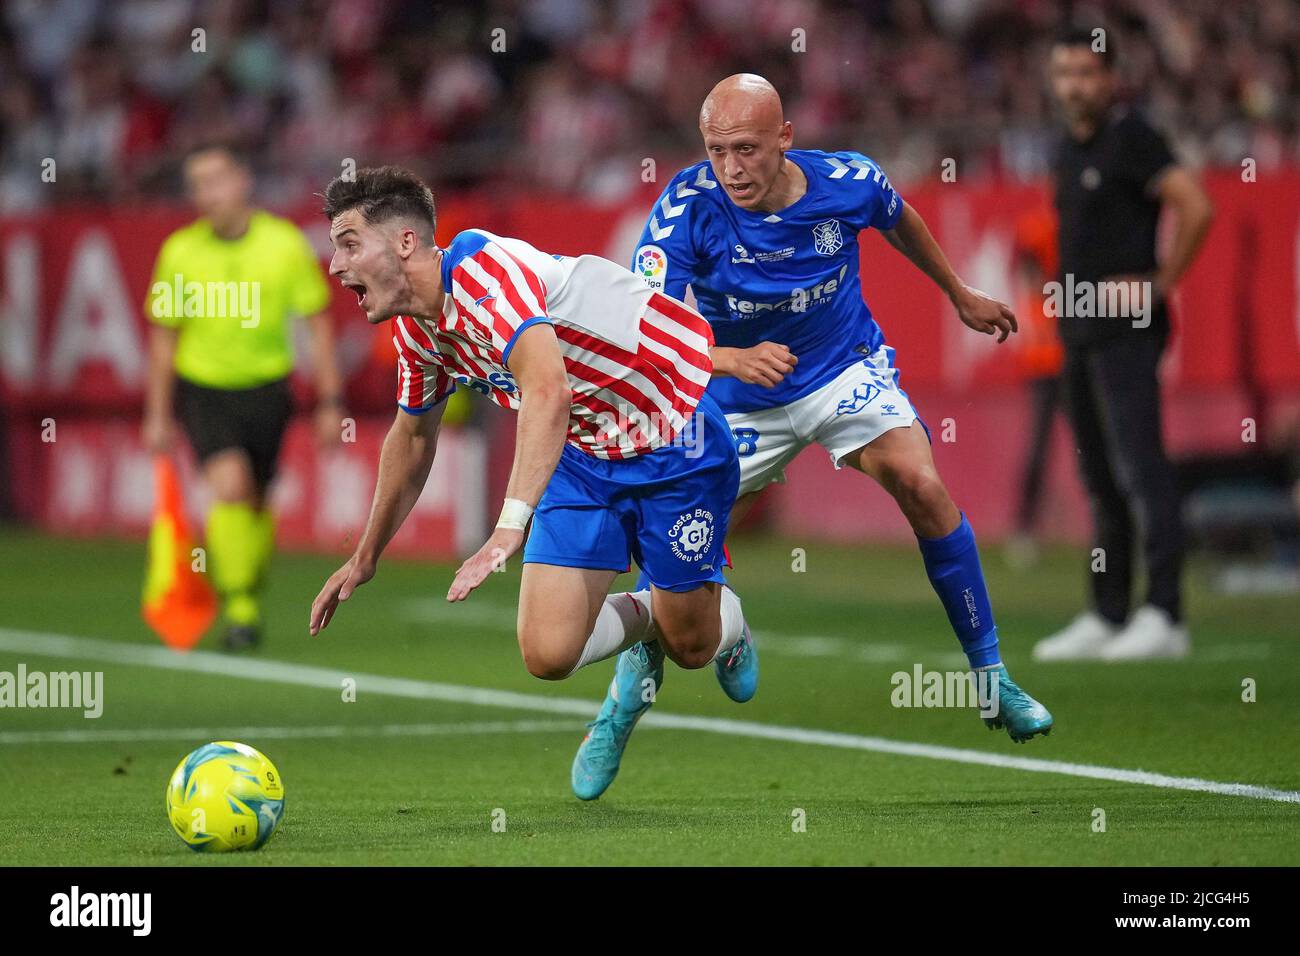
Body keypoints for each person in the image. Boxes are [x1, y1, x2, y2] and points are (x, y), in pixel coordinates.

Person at [571, 73, 1054, 802]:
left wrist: (958, 292)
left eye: (746, 149)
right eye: (715, 150)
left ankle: (992, 679)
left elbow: (901, 219)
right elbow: (645, 326)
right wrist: (730, 358)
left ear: (785, 138)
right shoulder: (687, 208)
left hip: (840, 370)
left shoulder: (848, 181)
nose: (730, 167)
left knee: (922, 484)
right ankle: (628, 701)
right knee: (677, 574)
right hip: (735, 398)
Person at [308, 166, 757, 721]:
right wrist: (365, 556)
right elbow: (413, 438)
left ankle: (725, 628)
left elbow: (548, 390)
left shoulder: (482, 269)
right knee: (547, 654)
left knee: (691, 646)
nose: (336, 265)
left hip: (673, 431)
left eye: (349, 244)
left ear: (405, 241)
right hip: (582, 451)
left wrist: (506, 529)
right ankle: (648, 620)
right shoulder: (417, 333)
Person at [1033, 28, 1213, 661]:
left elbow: (1196, 207)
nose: (1074, 86)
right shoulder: (1064, 148)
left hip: (1128, 328)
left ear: (1110, 80)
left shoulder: (1132, 137)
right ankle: (1108, 612)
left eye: (1086, 73)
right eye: (1064, 73)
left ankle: (1165, 613)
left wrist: (1160, 285)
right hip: (1080, 331)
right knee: (1098, 473)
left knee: (1142, 465)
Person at [143, 143, 343, 651]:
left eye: (216, 179)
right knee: (229, 487)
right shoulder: (179, 252)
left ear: (243, 181)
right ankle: (241, 607)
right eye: (198, 184)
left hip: (268, 389)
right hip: (205, 387)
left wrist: (330, 400)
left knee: (256, 500)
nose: (207, 194)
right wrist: (158, 413)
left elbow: (318, 324)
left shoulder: (284, 245)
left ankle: (245, 586)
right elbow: (165, 336)